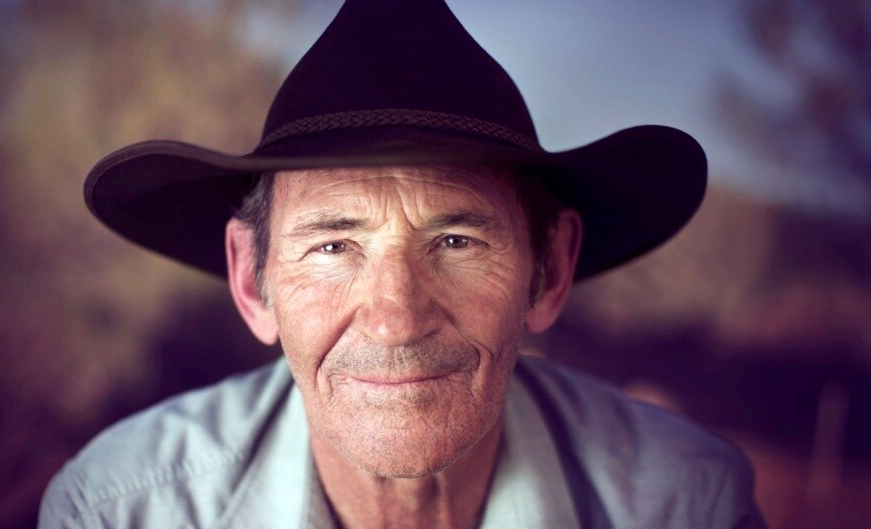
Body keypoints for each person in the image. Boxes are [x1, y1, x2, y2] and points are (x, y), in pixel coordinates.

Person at [39, 1, 766, 528]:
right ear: (251, 280)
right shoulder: (121, 509)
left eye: (456, 242)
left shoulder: (683, 504)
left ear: (548, 270)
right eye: (333, 245)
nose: (396, 318)